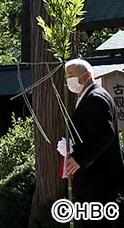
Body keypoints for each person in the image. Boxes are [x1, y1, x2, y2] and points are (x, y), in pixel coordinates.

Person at [64, 58, 124, 228]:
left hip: (99, 178)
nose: (69, 80)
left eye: (72, 75)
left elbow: (104, 134)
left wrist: (79, 158)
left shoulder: (96, 97)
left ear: (87, 75)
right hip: (93, 177)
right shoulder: (89, 96)